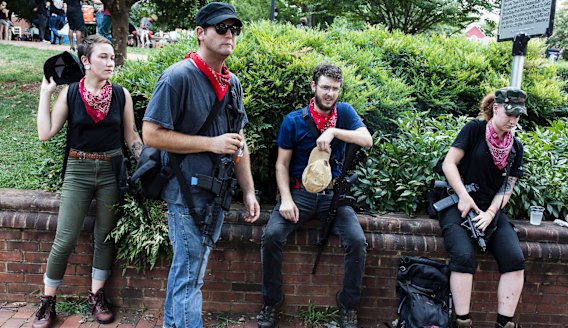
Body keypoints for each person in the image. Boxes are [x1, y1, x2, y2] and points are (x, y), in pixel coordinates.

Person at [141, 3, 260, 328]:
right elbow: (150, 133)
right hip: (185, 196)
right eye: (221, 28)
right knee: (191, 279)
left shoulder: (231, 82)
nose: (229, 35)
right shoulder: (177, 77)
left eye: (234, 29)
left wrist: (249, 191)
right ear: (200, 33)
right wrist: (210, 143)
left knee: (187, 274)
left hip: (216, 194)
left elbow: (239, 140)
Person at [34, 34, 144, 328]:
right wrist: (46, 93)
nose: (110, 62)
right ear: (85, 61)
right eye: (103, 57)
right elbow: (46, 133)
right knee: (65, 238)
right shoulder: (70, 94)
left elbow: (131, 137)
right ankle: (47, 302)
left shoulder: (121, 95)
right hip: (78, 171)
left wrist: (146, 161)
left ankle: (96, 296)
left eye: (112, 57)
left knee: (104, 237)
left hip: (111, 171)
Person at [257, 62, 373, 328]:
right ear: (314, 87)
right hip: (300, 194)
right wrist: (285, 198)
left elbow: (366, 139)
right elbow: (281, 165)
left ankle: (348, 306)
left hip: (333, 197)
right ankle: (270, 303)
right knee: (272, 236)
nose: (330, 94)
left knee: (357, 241)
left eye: (335, 88)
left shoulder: (344, 114)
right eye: (325, 88)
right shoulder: (294, 121)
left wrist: (333, 131)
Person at [439, 87, 527, 328]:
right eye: (510, 113)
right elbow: (449, 164)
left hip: (491, 210)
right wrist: (464, 196)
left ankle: (504, 323)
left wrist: (490, 214)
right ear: (496, 108)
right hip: (459, 203)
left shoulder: (515, 147)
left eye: (518, 116)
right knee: (463, 257)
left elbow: (507, 188)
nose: (513, 120)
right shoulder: (475, 130)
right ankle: (463, 322)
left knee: (515, 261)